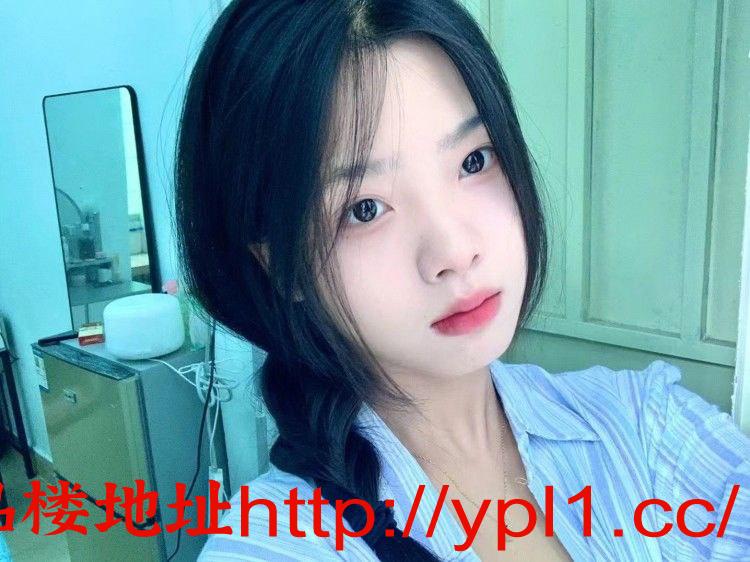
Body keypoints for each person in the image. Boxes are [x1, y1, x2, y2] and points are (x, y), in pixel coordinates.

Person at [174, 0, 750, 559]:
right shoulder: (276, 544)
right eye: (364, 209)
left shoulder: (642, 426)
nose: (455, 251)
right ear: (281, 265)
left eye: (474, 161)